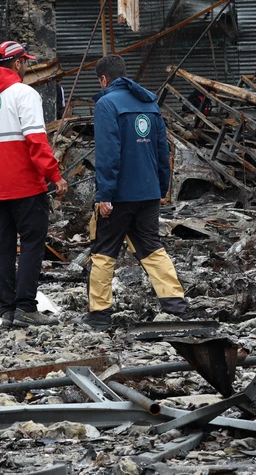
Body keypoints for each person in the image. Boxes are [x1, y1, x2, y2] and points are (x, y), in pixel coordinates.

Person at [0, 40, 68, 328]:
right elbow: (36, 141)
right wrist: (54, 176)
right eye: (26, 62)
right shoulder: (25, 94)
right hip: (26, 187)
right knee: (33, 244)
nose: (27, 66)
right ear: (18, 63)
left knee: (4, 247)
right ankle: (25, 307)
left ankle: (7, 309)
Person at [84, 54, 188, 329]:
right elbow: (162, 150)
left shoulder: (106, 104)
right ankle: (176, 305)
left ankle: (99, 316)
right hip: (148, 193)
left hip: (119, 196)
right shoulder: (149, 104)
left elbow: (108, 153)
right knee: (152, 248)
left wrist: (104, 194)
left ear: (104, 80)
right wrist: (162, 187)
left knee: (104, 252)